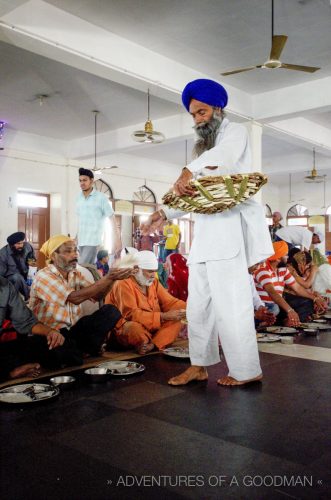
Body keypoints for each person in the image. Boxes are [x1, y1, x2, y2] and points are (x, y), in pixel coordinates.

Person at [143, 78, 273, 387]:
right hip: (203, 241)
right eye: (193, 115)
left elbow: (223, 158)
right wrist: (163, 213)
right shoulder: (204, 149)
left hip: (228, 238)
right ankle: (199, 365)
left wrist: (189, 169)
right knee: (197, 309)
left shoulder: (234, 134)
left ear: (217, 108)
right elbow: (194, 194)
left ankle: (246, 370)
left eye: (201, 112)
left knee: (232, 307)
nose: (198, 119)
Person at [29, 235, 135, 358]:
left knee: (111, 311)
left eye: (75, 250)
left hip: (72, 331)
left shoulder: (75, 274)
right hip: (50, 334)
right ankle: (81, 350)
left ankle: (81, 349)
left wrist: (113, 279)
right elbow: (74, 298)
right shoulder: (44, 276)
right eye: (68, 251)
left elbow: (97, 296)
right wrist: (108, 277)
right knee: (68, 357)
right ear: (53, 256)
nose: (75, 255)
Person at [105, 250, 186, 355]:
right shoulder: (123, 283)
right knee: (133, 329)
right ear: (136, 270)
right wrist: (164, 316)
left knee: (178, 316)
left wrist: (186, 308)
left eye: (155, 271)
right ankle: (152, 341)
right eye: (149, 271)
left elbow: (170, 302)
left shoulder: (154, 283)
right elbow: (131, 315)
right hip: (129, 328)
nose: (153, 275)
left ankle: (152, 344)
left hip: (153, 326)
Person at [0, 275, 71, 381]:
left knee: (49, 345)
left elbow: (26, 321)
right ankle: (10, 373)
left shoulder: (4, 285)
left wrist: (50, 332)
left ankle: (13, 368)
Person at [254, 242, 327, 325]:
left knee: (307, 302)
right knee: (275, 309)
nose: (288, 257)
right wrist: (289, 310)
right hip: (266, 306)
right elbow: (272, 293)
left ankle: (288, 322)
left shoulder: (283, 269)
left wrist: (315, 298)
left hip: (278, 303)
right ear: (278, 258)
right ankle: (279, 322)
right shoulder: (263, 270)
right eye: (285, 255)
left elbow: (297, 288)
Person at [76, 168, 121, 264]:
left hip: (93, 241)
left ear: (91, 181)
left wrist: (117, 240)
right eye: (80, 180)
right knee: (86, 270)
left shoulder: (101, 198)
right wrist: (76, 239)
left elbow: (112, 219)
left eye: (85, 180)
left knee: (83, 269)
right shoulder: (78, 198)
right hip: (81, 242)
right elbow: (81, 221)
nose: (82, 183)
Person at [0, 231, 36, 300]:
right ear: (11, 245)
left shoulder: (27, 246)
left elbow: (32, 259)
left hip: (26, 274)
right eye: (18, 243)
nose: (21, 245)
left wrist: (31, 263)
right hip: (11, 279)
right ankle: (29, 298)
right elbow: (1, 276)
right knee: (17, 277)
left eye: (22, 242)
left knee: (40, 273)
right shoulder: (3, 254)